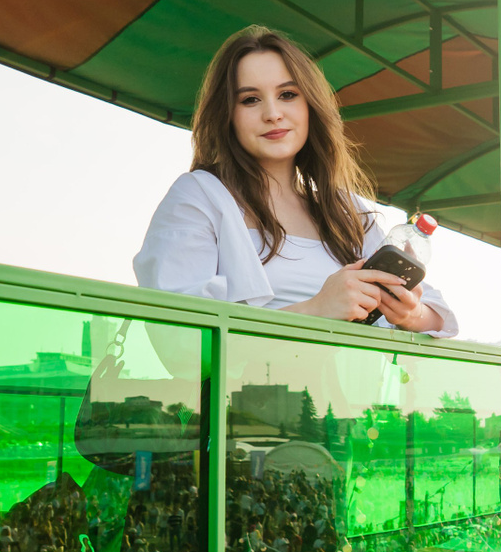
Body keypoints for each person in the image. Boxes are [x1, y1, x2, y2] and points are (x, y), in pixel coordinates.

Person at [135, 25, 457, 335]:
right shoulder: (199, 196)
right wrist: (317, 308)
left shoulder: (348, 211)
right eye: (250, 99)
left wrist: (409, 313)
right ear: (227, 115)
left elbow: (438, 317)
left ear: (310, 106)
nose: (273, 113)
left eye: (287, 94)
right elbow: (178, 335)